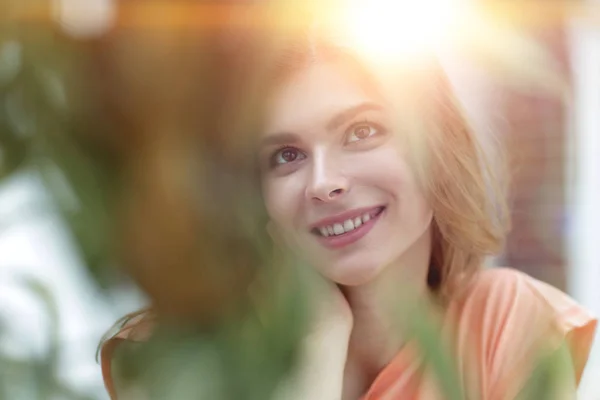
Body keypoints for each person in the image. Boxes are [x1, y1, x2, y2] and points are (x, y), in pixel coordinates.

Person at [100, 16, 597, 400]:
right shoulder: (173, 354)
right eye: (286, 156)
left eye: (362, 132)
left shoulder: (509, 321)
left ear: (437, 148)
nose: (324, 183)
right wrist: (318, 345)